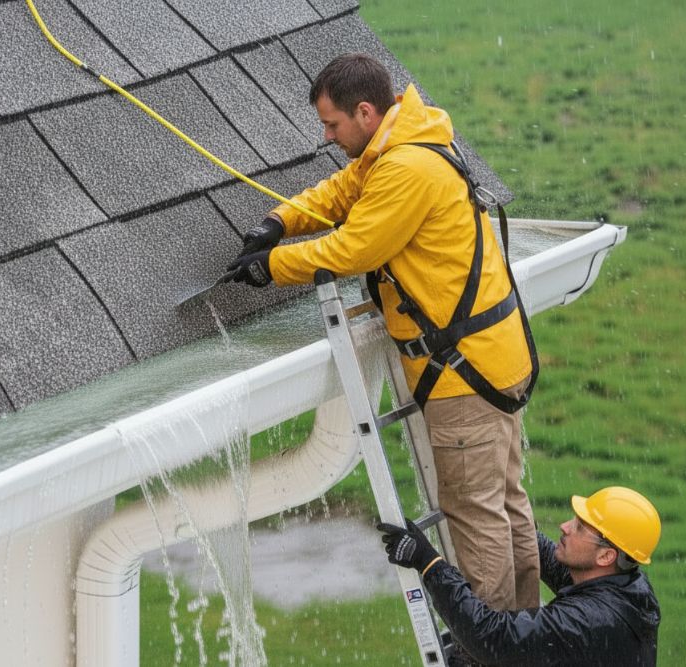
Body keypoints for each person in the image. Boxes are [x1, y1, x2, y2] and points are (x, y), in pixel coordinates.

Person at [221, 53, 539, 610]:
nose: (326, 135)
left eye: (332, 124)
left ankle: (492, 645)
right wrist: (279, 220)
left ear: (365, 112)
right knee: (505, 506)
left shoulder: (405, 168)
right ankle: (522, 635)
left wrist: (271, 267)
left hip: (464, 377)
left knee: (474, 517)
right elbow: (343, 192)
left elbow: (355, 247)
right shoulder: (404, 139)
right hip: (491, 356)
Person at [378, 486, 662, 666]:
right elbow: (557, 566)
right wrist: (519, 532)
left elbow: (490, 637)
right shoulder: (626, 589)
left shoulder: (587, 622)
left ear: (606, 556)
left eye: (579, 527)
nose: (564, 526)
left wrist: (429, 564)